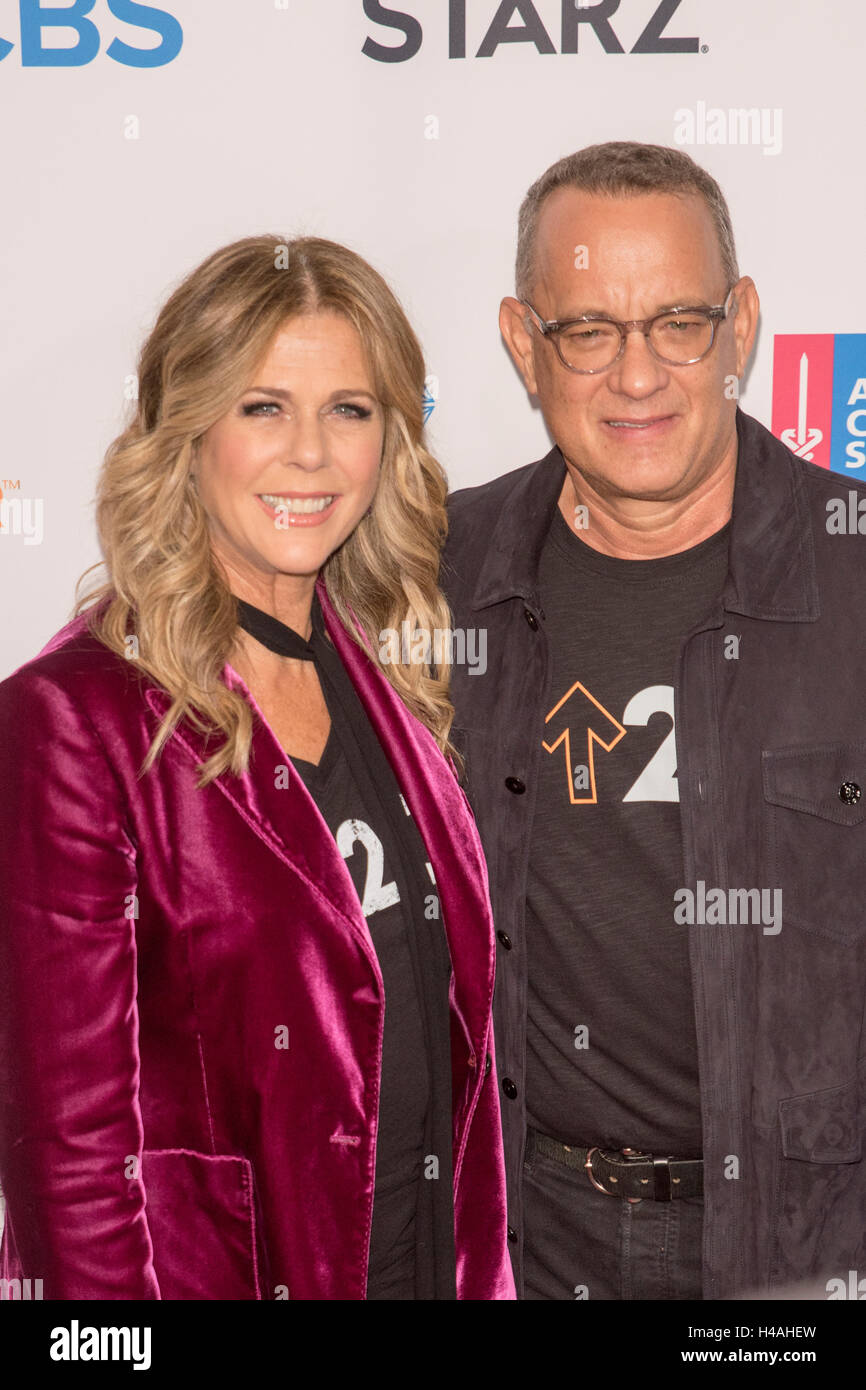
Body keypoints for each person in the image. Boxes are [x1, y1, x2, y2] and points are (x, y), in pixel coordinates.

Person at [0, 234, 514, 1302]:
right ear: (186, 434)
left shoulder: (389, 696)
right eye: (263, 407)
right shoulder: (72, 722)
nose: (312, 456)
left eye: (350, 410)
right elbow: (71, 1159)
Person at [441, 141, 866, 1301]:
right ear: (524, 344)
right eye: (587, 330)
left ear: (739, 326)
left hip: (807, 1251)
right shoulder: (432, 572)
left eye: (676, 321)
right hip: (524, 1240)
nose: (637, 376)